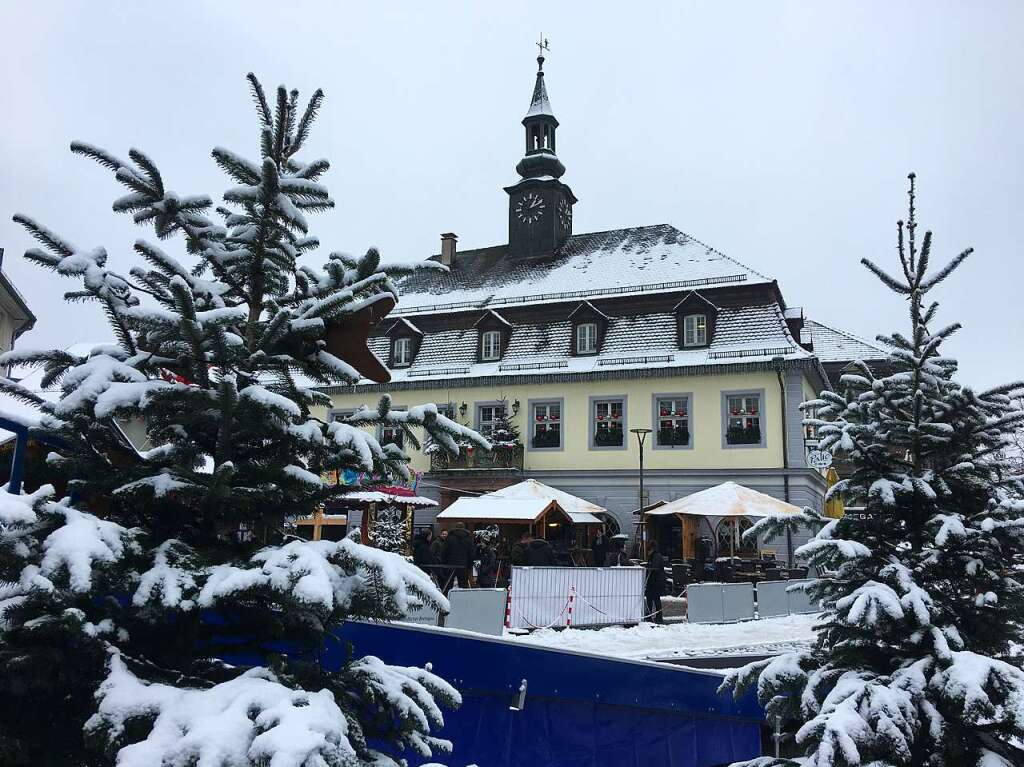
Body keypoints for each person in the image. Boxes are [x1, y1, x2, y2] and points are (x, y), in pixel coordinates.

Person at [443, 522, 474, 589]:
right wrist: (469, 566)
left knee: (448, 584)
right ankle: (463, 598)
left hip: (450, 564)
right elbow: (471, 553)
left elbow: (444, 551)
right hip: (463, 565)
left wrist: (444, 562)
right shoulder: (468, 538)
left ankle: (446, 597)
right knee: (463, 585)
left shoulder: (450, 537)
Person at [644, 540, 666, 623]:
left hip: (655, 582)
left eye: (648, 550)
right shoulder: (655, 556)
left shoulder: (656, 556)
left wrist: (648, 568)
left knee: (654, 599)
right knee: (653, 599)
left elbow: (655, 568)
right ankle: (653, 615)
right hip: (654, 581)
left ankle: (657, 616)